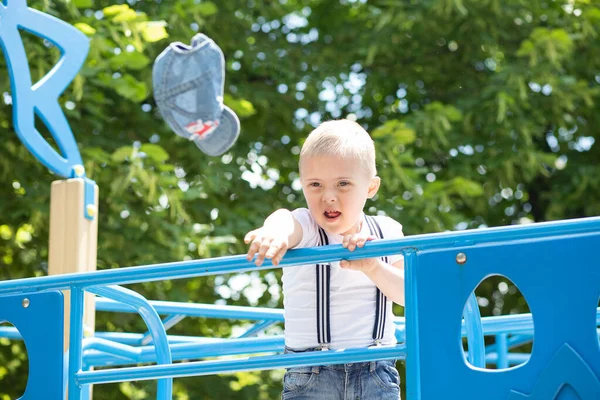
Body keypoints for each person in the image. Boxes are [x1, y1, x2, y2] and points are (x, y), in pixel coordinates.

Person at [244, 119, 405, 399]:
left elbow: (408, 293)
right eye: (315, 185)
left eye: (343, 184)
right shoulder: (306, 226)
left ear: (370, 187)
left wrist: (372, 265)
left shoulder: (387, 231)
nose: (328, 196)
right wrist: (274, 232)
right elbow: (285, 219)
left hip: (376, 371)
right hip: (309, 373)